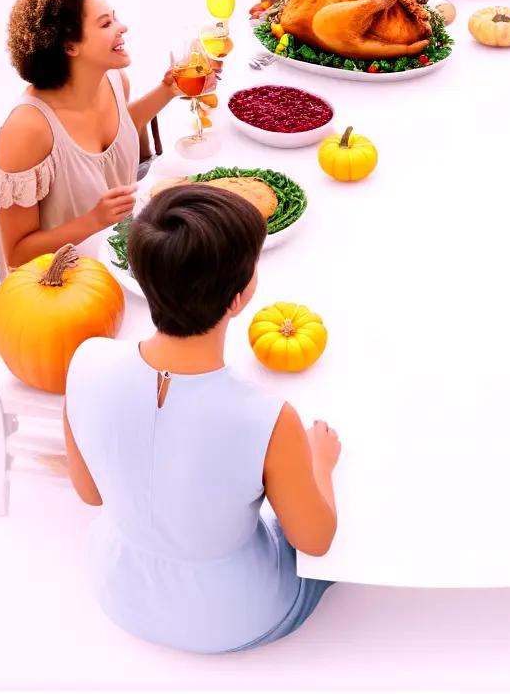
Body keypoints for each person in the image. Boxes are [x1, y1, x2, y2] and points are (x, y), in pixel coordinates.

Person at [64, 184, 340, 653]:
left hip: (120, 590)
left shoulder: (86, 360)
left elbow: (91, 493)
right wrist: (321, 464)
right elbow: (315, 541)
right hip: (233, 616)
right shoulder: (269, 418)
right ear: (238, 298)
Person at [0, 0, 202, 268]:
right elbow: (17, 254)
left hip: (123, 254)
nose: (122, 28)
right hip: (67, 280)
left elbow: (121, 127)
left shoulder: (114, 80)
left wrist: (167, 90)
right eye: (106, 23)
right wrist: (93, 220)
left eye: (115, 17)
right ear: (70, 46)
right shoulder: (28, 129)